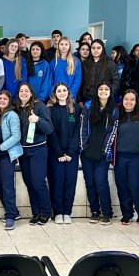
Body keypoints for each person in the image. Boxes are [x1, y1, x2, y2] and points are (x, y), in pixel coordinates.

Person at [80, 83, 119, 225]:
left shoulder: (114, 109)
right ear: (96, 91)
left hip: (103, 153)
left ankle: (107, 213)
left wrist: (105, 149)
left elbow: (113, 131)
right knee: (89, 182)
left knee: (101, 182)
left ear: (110, 92)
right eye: (101, 89)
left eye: (106, 89)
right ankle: (95, 211)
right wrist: (83, 146)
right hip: (87, 152)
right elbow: (82, 127)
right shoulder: (88, 106)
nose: (103, 91)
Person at [15, 83, 54, 225]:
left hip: (38, 149)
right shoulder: (17, 108)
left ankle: (46, 212)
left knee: (38, 182)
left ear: (31, 93)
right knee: (29, 183)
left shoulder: (39, 106)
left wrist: (38, 120)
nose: (23, 93)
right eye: (21, 91)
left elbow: (49, 128)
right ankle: (36, 212)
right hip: (23, 151)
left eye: (26, 91)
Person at [47, 83, 81, 225]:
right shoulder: (50, 110)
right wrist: (59, 152)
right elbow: (51, 132)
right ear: (55, 93)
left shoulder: (76, 108)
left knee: (70, 183)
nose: (62, 93)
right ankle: (58, 212)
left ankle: (67, 212)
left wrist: (70, 152)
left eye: (64, 90)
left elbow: (77, 131)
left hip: (71, 154)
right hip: (56, 153)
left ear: (68, 92)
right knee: (56, 182)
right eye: (59, 91)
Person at [113, 89, 139, 225]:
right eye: (126, 99)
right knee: (122, 186)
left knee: (135, 185)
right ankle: (127, 214)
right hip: (120, 157)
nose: (129, 102)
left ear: (136, 101)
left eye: (132, 99)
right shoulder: (117, 114)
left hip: (138, 157)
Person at [0, 91, 23, 231]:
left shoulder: (12, 115)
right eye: (0, 98)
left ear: (9, 101)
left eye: (5, 99)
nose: (2, 100)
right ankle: (14, 212)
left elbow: (16, 136)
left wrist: (1, 147)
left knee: (7, 186)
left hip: (6, 155)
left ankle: (10, 216)